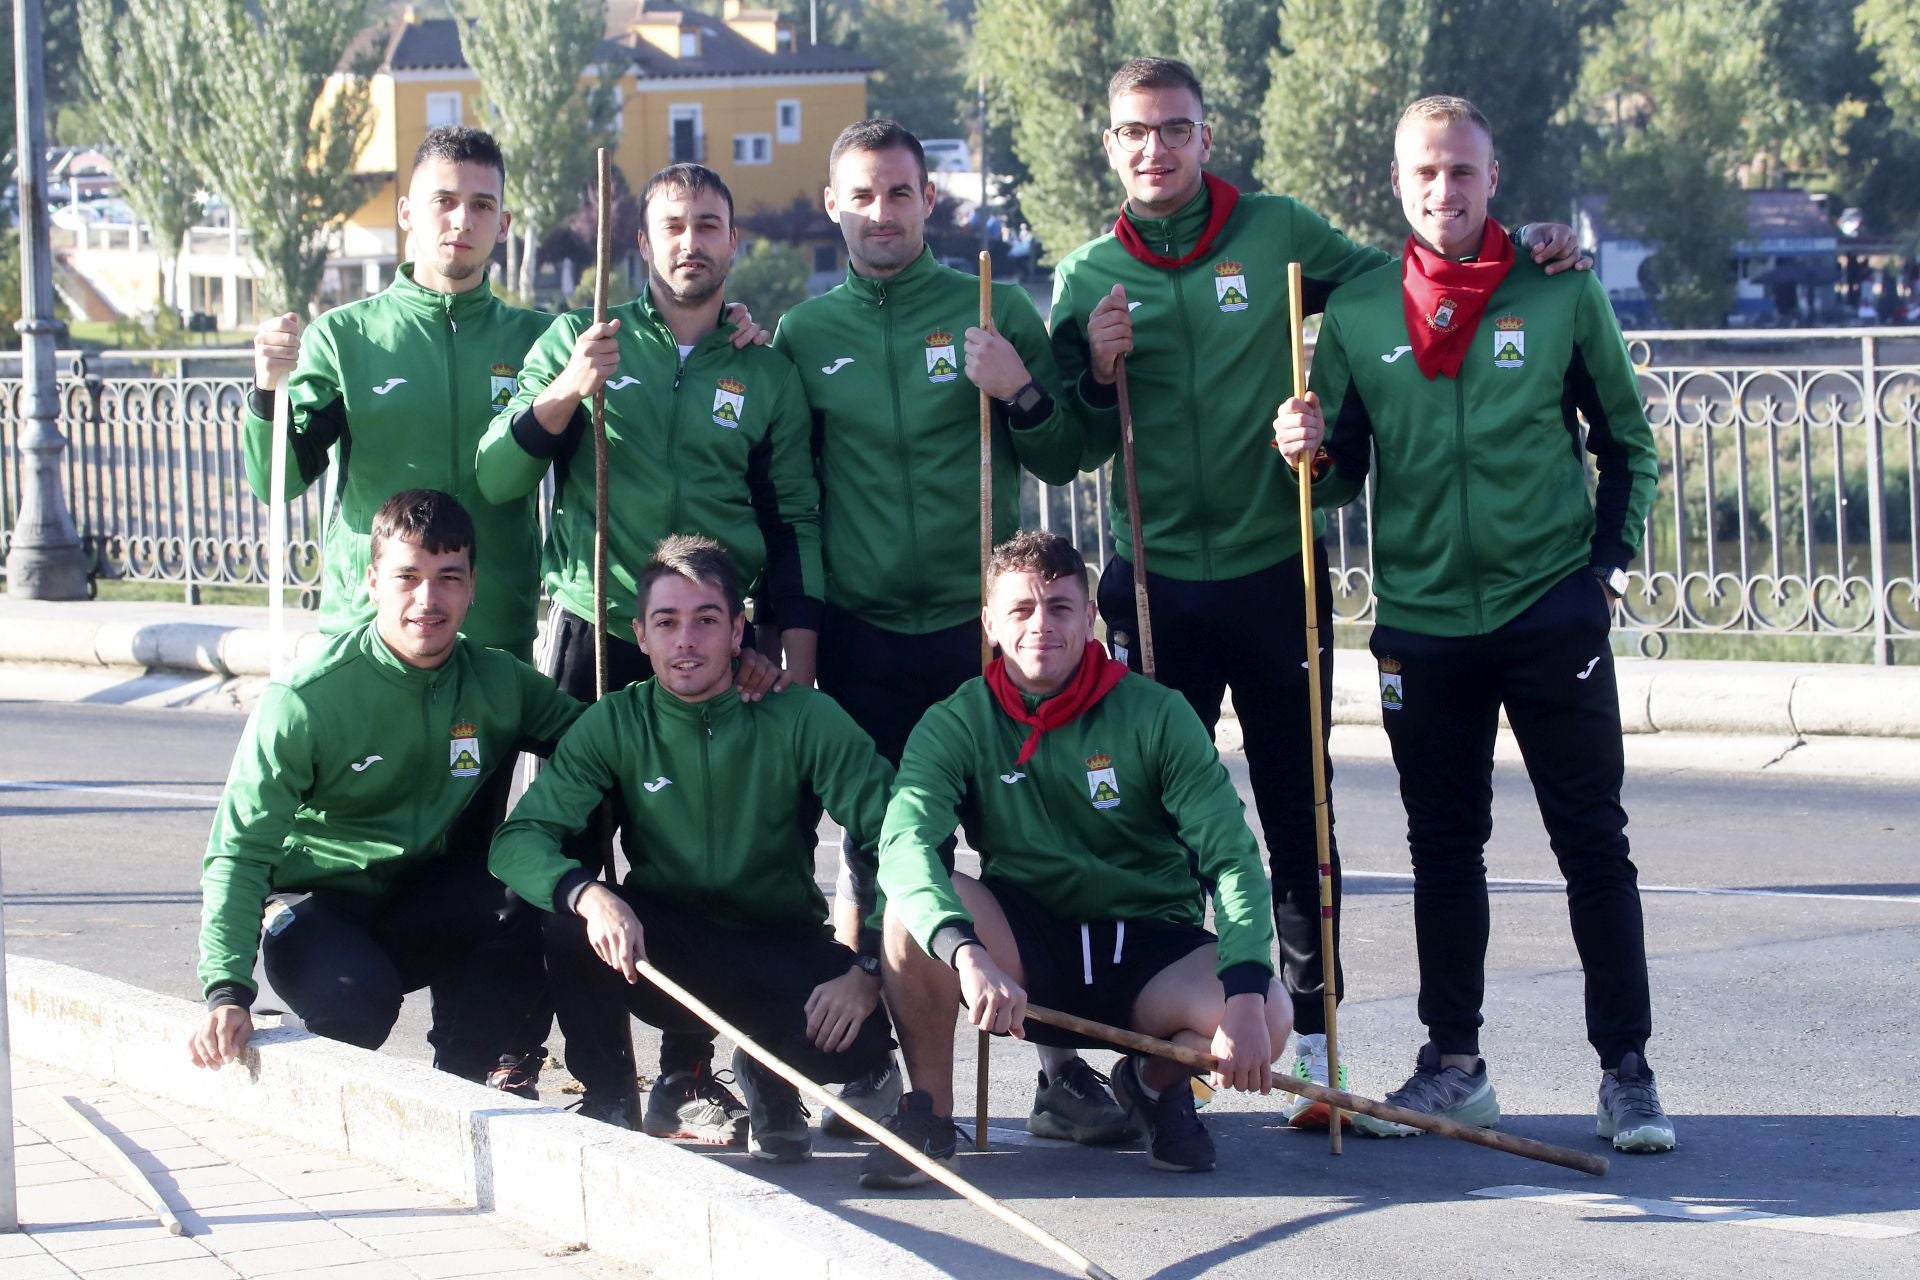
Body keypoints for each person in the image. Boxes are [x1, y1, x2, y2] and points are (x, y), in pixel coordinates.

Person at [1049, 57, 1590, 1124]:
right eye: (1135, 133)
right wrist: (1096, 374)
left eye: (1175, 129)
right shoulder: (1086, 276)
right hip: (1152, 580)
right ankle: (1155, 1049)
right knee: (1147, 823)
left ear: (1207, 138)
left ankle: (1314, 1042)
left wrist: (1523, 245)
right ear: (1108, 146)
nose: (1155, 149)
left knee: (1299, 815)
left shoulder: (1278, 230)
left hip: (1274, 573)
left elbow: (1416, 274)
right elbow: (1065, 445)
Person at [1272, 95, 1672, 1153]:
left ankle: (1627, 1073)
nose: (1444, 190)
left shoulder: (1559, 287)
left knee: (1594, 842)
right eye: (1425, 173)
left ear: (1494, 178)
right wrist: (1306, 448)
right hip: (1423, 624)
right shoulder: (1360, 311)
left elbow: (1627, 444)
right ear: (1397, 184)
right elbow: (1339, 478)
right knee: (1443, 851)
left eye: (1462, 171)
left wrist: (1605, 576)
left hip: (1549, 608)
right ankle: (1455, 1066)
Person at [478, 163, 814, 1140]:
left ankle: (693, 1074)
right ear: (643, 241)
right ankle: (582, 1071)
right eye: (672, 225)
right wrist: (566, 391)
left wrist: (791, 649)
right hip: (596, 626)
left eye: (709, 224)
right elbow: (497, 474)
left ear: (733, 240)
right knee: (573, 853)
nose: (690, 242)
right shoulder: (581, 339)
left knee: (714, 855)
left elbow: (793, 519)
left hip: (714, 638)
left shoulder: (762, 368)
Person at [862, 530, 1290, 1187]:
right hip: (1027, 947)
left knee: (1271, 1012)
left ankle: (1152, 1083)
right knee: (908, 911)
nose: (1042, 625)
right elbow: (904, 846)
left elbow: (1231, 858)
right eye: (1021, 609)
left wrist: (1244, 995)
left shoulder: (1158, 713)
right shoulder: (957, 721)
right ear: (989, 624)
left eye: (1060, 607)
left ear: (1089, 616)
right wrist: (966, 954)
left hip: (1150, 948)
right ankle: (930, 1116)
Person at [488, 536, 897, 1161]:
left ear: (737, 631)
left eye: (706, 621)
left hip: (778, 942)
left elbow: (897, 836)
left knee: (859, 1043)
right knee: (571, 922)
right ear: (641, 635)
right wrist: (588, 894)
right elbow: (518, 840)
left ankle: (770, 1071)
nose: (686, 641)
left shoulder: (802, 715)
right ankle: (609, 1098)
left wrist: (867, 968)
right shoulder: (616, 721)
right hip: (665, 950)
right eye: (666, 623)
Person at [189, 490, 583, 1085]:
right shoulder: (306, 699)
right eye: (408, 577)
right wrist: (226, 990)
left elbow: (601, 746)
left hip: (417, 898)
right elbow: (238, 850)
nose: (428, 599)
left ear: (473, 586)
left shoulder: (500, 682)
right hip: (316, 906)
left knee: (526, 901)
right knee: (356, 1005)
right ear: (373, 583)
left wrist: (703, 694)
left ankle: (458, 1087)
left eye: (449, 578)